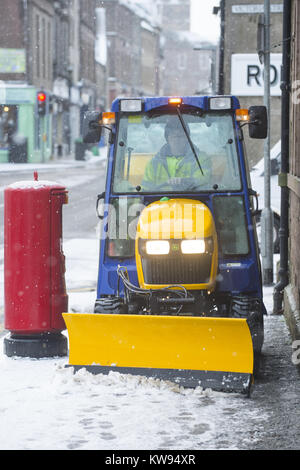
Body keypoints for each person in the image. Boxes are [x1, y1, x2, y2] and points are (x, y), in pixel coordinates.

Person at [141, 118, 210, 191]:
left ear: (187, 138)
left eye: (181, 136)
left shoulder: (201, 159)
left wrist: (183, 181)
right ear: (167, 138)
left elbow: (202, 180)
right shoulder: (154, 163)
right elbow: (144, 190)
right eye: (174, 136)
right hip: (159, 201)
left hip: (194, 199)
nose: (177, 140)